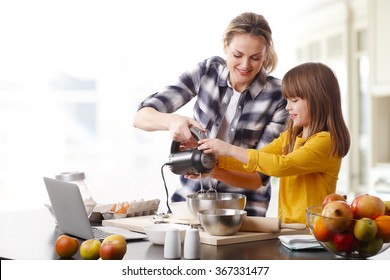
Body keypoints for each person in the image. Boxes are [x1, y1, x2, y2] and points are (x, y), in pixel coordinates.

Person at [133, 12, 288, 216]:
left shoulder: (279, 97)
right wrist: (172, 121)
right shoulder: (208, 71)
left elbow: (259, 177)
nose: (244, 65)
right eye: (237, 55)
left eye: (255, 57)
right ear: (225, 46)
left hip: (243, 214)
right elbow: (141, 118)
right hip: (189, 206)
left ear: (266, 53)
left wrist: (212, 169)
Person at [197, 62, 351, 224]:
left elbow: (280, 166)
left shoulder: (325, 141)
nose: (287, 107)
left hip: (311, 233)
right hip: (289, 230)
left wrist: (228, 149)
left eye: (294, 100)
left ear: (319, 99)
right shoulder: (290, 137)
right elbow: (255, 161)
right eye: (287, 101)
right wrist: (213, 162)